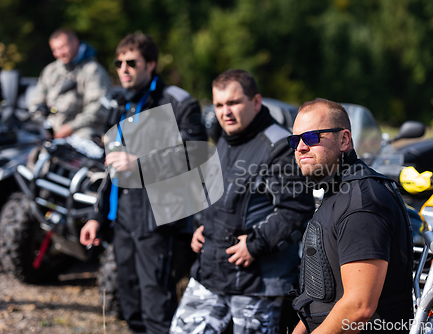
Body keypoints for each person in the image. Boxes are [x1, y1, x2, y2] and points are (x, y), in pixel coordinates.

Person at [169, 69, 315, 334]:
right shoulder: (225, 137)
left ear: (256, 102)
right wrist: (204, 225)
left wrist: (255, 245)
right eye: (219, 105)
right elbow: (221, 194)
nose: (225, 112)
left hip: (258, 279)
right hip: (212, 270)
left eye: (233, 103)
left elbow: (296, 209)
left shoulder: (279, 145)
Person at [79, 33, 207, 334]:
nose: (123, 68)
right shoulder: (120, 103)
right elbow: (111, 165)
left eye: (131, 62)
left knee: (157, 310)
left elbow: (197, 153)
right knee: (130, 305)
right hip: (122, 219)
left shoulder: (176, 101)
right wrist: (97, 216)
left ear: (150, 64)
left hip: (158, 222)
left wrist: (141, 163)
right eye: (119, 62)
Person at [288, 98, 413, 334]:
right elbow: (321, 299)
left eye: (312, 137)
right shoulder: (337, 190)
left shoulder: (361, 202)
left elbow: (358, 308)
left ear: (344, 139)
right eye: (295, 140)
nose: (301, 147)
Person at [28, 28, 111, 139]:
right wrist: (43, 124)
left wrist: (70, 128)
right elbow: (36, 102)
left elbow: (98, 108)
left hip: (81, 132)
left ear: (75, 42)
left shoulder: (92, 70)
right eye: (55, 50)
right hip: (51, 131)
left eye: (62, 47)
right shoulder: (51, 70)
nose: (59, 53)